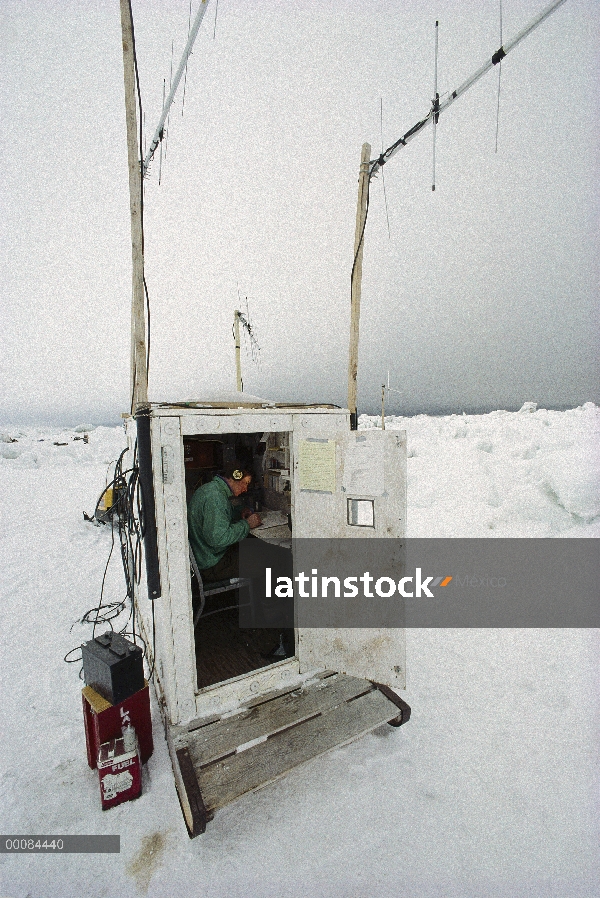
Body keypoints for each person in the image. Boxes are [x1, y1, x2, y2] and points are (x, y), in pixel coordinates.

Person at [187, 463, 262, 583]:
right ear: (235, 477)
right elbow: (219, 538)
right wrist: (247, 525)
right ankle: (268, 601)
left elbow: (217, 518)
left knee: (251, 547)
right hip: (212, 565)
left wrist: (239, 512)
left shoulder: (210, 489)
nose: (245, 489)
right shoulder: (216, 497)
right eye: (245, 483)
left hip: (204, 556)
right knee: (266, 558)